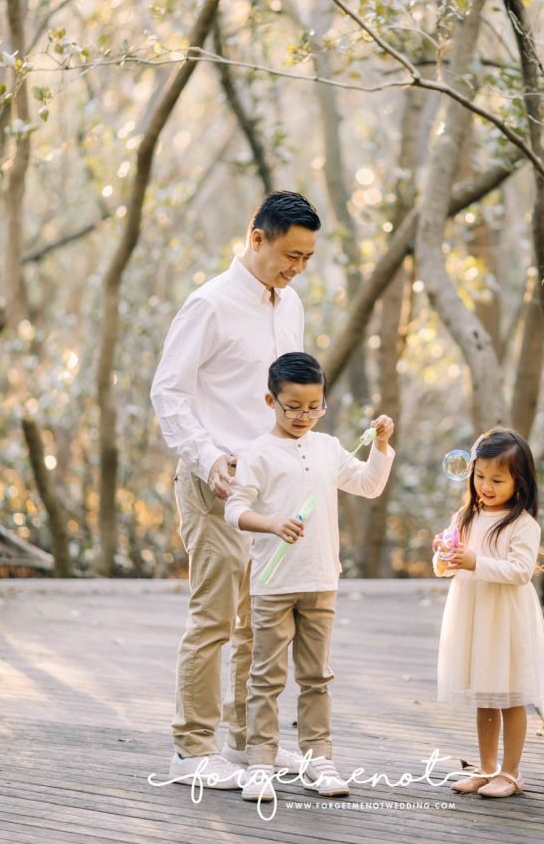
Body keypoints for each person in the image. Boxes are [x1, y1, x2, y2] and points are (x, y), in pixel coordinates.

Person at [150, 191, 321, 788]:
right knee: (215, 618)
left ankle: (249, 743)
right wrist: (207, 457)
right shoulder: (209, 305)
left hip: (270, 488)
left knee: (263, 622)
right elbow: (168, 392)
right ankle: (191, 750)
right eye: (289, 254)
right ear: (256, 237)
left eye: (305, 257)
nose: (296, 267)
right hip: (213, 483)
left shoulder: (291, 303)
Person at [224, 352, 395, 802]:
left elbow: (369, 485)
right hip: (272, 584)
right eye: (293, 406)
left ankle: (319, 758)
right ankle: (260, 761)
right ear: (270, 400)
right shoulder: (258, 453)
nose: (304, 415)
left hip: (321, 579)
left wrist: (379, 446)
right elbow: (234, 508)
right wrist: (272, 523)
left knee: (317, 676)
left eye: (314, 406)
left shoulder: (328, 447)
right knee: (265, 676)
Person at [435, 427, 544, 799]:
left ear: (519, 483)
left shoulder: (523, 525)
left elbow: (519, 571)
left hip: (505, 619)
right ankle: (486, 769)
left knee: (510, 695)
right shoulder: (466, 515)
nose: (485, 486)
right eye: (480, 476)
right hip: (473, 615)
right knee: (484, 695)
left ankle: (511, 771)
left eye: (497, 479)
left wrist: (475, 561)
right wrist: (444, 555)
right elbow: (448, 565)